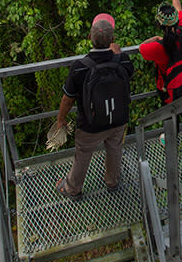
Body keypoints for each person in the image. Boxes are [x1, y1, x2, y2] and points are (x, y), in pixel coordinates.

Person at [55, 13, 134, 200]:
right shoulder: (122, 60)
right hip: (117, 119)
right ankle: (112, 182)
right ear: (113, 39)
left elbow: (68, 98)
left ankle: (73, 189)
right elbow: (129, 74)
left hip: (90, 124)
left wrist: (61, 119)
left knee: (83, 154)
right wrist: (119, 53)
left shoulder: (80, 66)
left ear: (89, 38)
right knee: (114, 149)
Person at [139, 0, 182, 153]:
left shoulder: (159, 47)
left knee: (171, 113)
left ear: (160, 25)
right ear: (176, 20)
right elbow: (178, 8)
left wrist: (156, 38)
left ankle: (171, 141)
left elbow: (141, 48)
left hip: (170, 87)